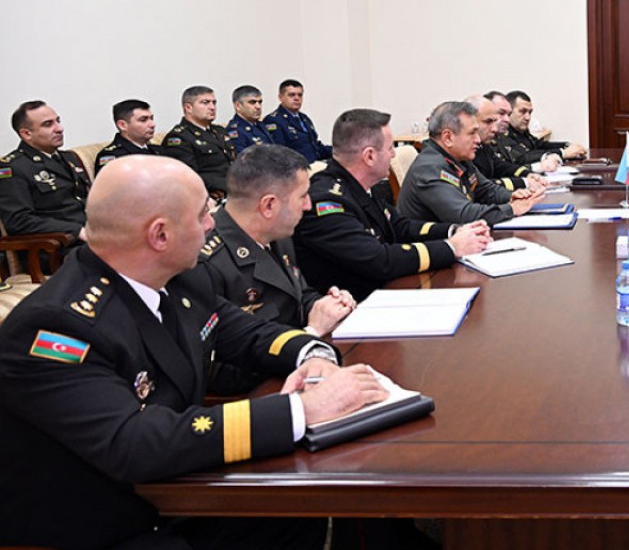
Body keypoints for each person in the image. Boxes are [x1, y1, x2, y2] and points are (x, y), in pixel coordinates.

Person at [0, 155, 388, 550]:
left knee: (301, 509)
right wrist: (302, 409)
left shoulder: (182, 278)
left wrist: (313, 354)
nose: (212, 223)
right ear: (160, 235)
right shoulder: (57, 327)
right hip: (103, 521)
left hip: (174, 489)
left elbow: (251, 334)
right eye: (203, 213)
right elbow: (132, 442)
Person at [192, 145, 356, 395]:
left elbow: (297, 296)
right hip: (262, 396)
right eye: (302, 196)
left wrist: (326, 306)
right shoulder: (205, 263)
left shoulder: (277, 234)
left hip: (304, 367)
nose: (308, 205)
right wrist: (310, 334)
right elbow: (216, 373)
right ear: (268, 206)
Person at [293, 108, 490, 301]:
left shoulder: (359, 186)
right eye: (389, 148)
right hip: (355, 308)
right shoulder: (326, 202)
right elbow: (379, 260)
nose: (393, 155)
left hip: (384, 294)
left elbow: (401, 226)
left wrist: (455, 230)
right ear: (369, 156)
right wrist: (451, 248)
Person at [400, 101, 545, 226]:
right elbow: (464, 215)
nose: (478, 140)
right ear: (448, 138)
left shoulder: (458, 158)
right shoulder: (430, 167)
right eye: (472, 133)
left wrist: (512, 196)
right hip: (434, 245)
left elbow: (487, 190)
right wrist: (512, 209)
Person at [0, 100, 91, 239]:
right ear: (26, 134)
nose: (59, 128)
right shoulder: (13, 167)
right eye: (48, 124)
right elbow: (19, 221)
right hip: (60, 243)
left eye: (58, 121)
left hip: (93, 231)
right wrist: (77, 231)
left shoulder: (69, 158)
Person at [161, 86, 236, 201]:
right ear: (188, 107)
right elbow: (189, 177)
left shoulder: (219, 131)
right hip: (212, 195)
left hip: (236, 188)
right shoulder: (179, 138)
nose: (212, 107)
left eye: (214, 103)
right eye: (205, 103)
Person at [470, 94, 546, 193]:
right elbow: (479, 187)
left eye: (509, 114)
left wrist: (527, 174)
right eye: (488, 121)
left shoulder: (484, 144)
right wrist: (524, 182)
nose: (494, 128)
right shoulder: (466, 149)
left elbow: (500, 165)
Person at [494, 89, 586, 167]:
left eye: (530, 112)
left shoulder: (520, 130)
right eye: (522, 111)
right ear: (509, 111)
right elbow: (522, 157)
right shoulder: (502, 132)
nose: (528, 117)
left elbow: (539, 145)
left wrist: (567, 145)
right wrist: (563, 153)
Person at [264, 79, 331, 163]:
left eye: (300, 95)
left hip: (315, 164)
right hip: (297, 168)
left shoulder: (304, 118)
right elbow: (280, 154)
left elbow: (316, 147)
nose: (297, 98)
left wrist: (339, 151)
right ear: (280, 97)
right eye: (291, 95)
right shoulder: (274, 121)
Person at [94, 99, 159, 174]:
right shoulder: (113, 157)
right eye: (143, 120)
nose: (152, 125)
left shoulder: (158, 150)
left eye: (151, 118)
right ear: (122, 125)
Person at [226, 84, 282, 154]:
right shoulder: (235, 131)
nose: (258, 107)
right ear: (238, 106)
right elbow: (242, 158)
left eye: (260, 102)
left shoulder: (260, 125)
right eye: (252, 102)